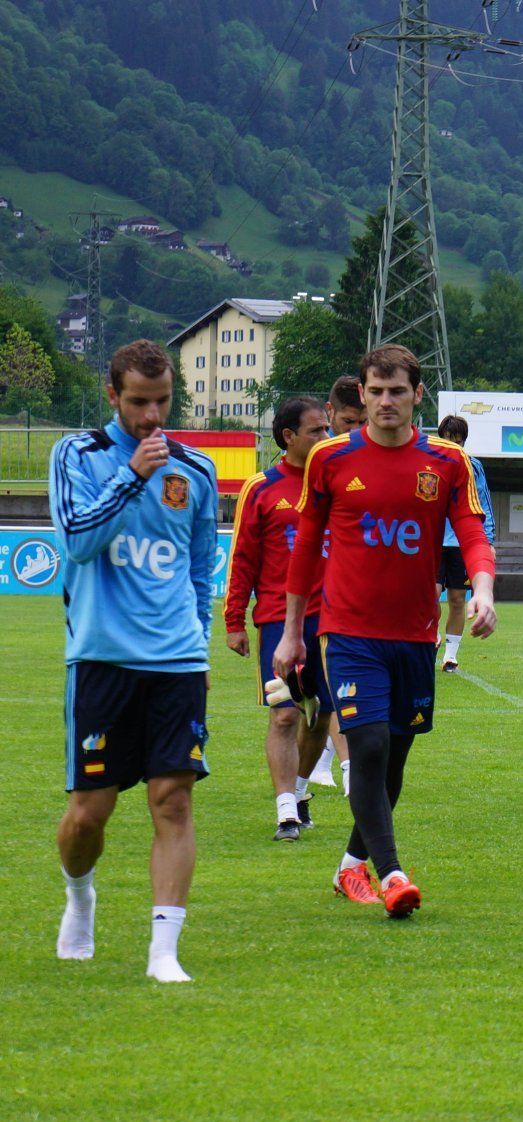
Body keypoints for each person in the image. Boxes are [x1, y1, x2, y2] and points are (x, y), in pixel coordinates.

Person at [274, 344, 496, 919]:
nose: (385, 401)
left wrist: (483, 590)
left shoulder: (447, 461)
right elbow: (303, 556)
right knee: (367, 744)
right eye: (375, 391)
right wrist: (292, 632)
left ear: (417, 394)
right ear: (363, 393)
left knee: (392, 759)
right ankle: (392, 874)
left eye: (397, 391)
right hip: (348, 632)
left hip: (417, 635)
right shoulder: (331, 458)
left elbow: (471, 532)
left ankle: (351, 867)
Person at [48, 339, 218, 982]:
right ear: (113, 396)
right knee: (89, 812)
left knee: (172, 801)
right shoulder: (79, 455)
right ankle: (80, 893)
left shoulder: (195, 472)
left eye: (163, 402)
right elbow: (79, 541)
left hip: (176, 662)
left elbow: (202, 566)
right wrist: (133, 476)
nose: (153, 417)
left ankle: (163, 952)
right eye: (140, 403)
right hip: (102, 660)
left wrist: (196, 639)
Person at [226, 396, 335, 841]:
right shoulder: (262, 488)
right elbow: (243, 558)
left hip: (334, 621)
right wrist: (234, 620)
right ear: (289, 437)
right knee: (285, 715)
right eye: (317, 431)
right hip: (278, 620)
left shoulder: (337, 483)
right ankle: (286, 808)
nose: (327, 438)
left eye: (328, 429)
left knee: (322, 715)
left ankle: (302, 788)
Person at [307, 376, 367, 791]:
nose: (356, 430)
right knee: (304, 705)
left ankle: (326, 769)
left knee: (336, 694)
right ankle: (343, 772)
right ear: (330, 415)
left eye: (361, 421)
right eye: (348, 421)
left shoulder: (368, 459)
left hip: (349, 599)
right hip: (309, 601)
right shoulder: (319, 463)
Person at [435, 414, 496, 674]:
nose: (453, 447)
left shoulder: (473, 467)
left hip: (461, 542)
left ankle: (450, 655)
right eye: (448, 441)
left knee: (458, 599)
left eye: (458, 442)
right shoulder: (428, 466)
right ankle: (429, 637)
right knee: (429, 597)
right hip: (433, 541)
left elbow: (483, 503)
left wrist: (489, 539)